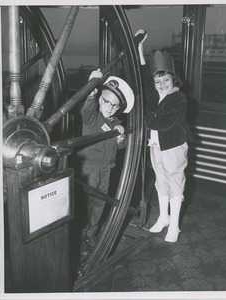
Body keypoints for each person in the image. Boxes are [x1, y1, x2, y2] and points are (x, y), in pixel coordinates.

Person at [135, 29, 191, 243]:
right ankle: (164, 218)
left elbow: (167, 122)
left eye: (166, 80)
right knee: (161, 181)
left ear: (173, 79)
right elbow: (142, 73)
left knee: (175, 183)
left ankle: (174, 227)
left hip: (174, 145)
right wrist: (140, 48)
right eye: (158, 82)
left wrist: (147, 120)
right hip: (155, 145)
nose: (162, 85)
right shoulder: (153, 94)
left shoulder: (179, 98)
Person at [76, 69, 135, 257]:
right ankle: (80, 238)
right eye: (106, 101)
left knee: (100, 203)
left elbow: (120, 148)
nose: (109, 107)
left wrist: (120, 138)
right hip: (88, 167)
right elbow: (87, 107)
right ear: (100, 99)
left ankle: (91, 234)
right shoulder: (92, 117)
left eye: (115, 105)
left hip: (106, 169)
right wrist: (91, 89)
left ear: (119, 109)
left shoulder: (116, 123)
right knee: (85, 204)